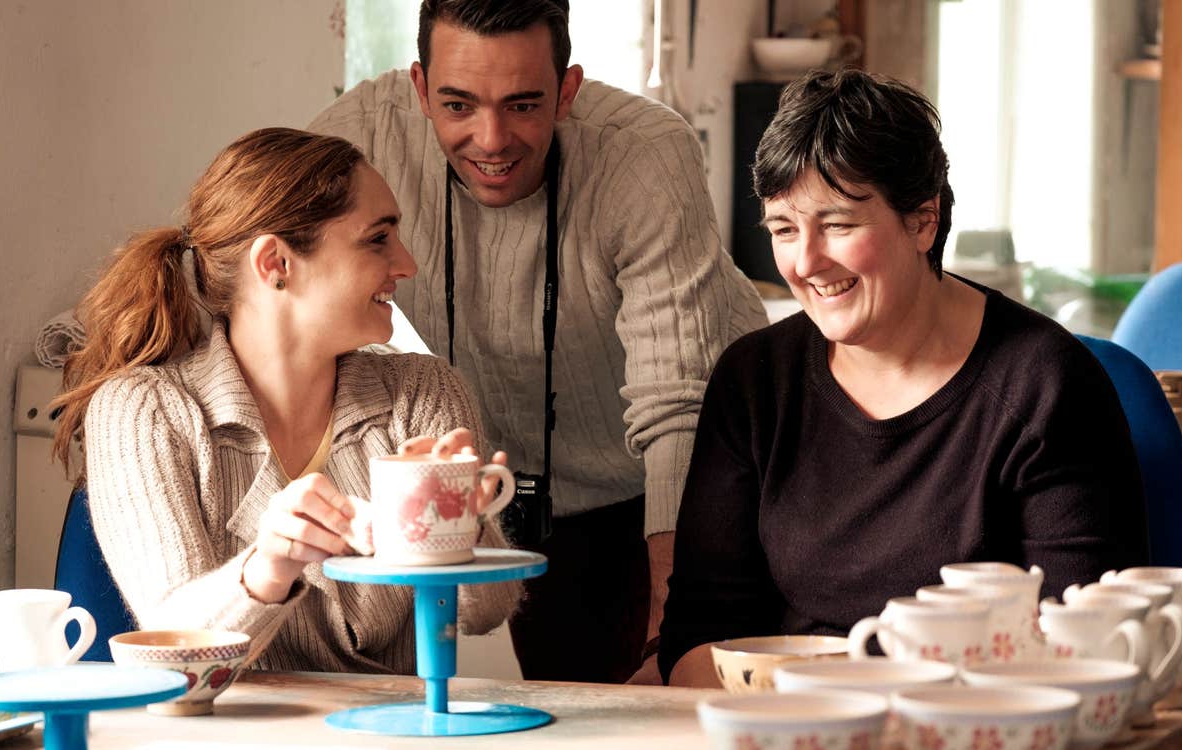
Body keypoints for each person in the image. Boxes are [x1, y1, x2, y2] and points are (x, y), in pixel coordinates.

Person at [310, 0, 768, 684]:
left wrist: (668, 638)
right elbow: (259, 260)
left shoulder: (644, 152)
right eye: (458, 105)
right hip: (539, 499)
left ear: (567, 90)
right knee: (581, 716)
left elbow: (678, 408)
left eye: (523, 105)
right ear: (418, 88)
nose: (491, 140)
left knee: (689, 692)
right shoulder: (361, 134)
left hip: (701, 479)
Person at [658, 69, 1151, 686]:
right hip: (791, 725)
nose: (806, 262)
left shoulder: (1045, 385)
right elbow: (701, 636)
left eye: (838, 224)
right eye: (784, 229)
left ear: (922, 221)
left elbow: (1080, 650)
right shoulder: (753, 382)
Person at [50, 128, 520, 672]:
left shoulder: (425, 392)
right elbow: (173, 656)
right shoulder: (142, 411)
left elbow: (485, 611)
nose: (407, 264)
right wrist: (267, 567)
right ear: (276, 263)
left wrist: (464, 520)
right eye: (377, 239)